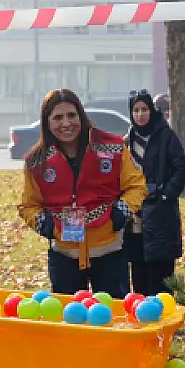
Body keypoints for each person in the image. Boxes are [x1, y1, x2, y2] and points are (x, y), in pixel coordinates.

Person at [19, 89, 146, 297]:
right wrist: (44, 224)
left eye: (71, 115)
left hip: (109, 252)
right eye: (58, 117)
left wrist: (121, 211)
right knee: (70, 321)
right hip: (63, 255)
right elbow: (28, 205)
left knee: (111, 319)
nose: (66, 123)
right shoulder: (36, 161)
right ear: (47, 122)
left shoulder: (112, 147)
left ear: (81, 115)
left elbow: (137, 185)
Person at [123, 90, 185, 297]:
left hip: (160, 215)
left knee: (161, 277)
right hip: (134, 216)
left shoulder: (166, 135)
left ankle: (163, 322)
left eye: (144, 109)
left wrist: (165, 195)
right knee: (139, 274)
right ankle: (142, 321)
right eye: (136, 110)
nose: (140, 114)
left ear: (151, 111)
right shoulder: (127, 140)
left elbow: (181, 169)